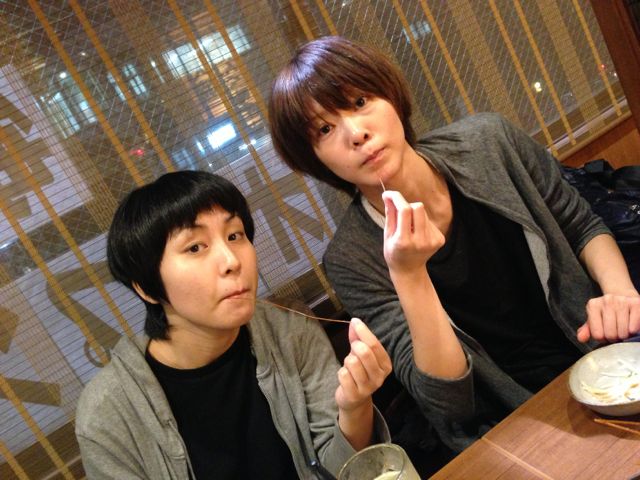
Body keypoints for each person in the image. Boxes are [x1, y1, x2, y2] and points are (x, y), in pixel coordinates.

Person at [268, 36, 640, 454]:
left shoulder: (490, 142)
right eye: (324, 129)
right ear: (314, 158)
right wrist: (409, 274)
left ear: (391, 95)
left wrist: (620, 292)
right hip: (510, 422)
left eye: (360, 102)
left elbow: (580, 224)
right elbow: (449, 403)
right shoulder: (351, 259)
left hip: (605, 361)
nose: (356, 133)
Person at [75, 170, 392, 479]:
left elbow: (343, 471)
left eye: (234, 235)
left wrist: (354, 407)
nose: (231, 261)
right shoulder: (107, 413)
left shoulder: (290, 330)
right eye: (195, 247)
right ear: (145, 287)